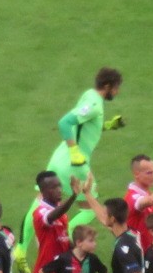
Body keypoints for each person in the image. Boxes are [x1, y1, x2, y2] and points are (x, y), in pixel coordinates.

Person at [44, 67, 124, 208]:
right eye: (116, 87)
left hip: (59, 156)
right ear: (107, 86)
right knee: (91, 209)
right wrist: (74, 152)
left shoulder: (89, 95)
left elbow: (82, 125)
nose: (117, 92)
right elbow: (65, 123)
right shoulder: (95, 105)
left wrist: (107, 125)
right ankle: (72, 230)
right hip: (74, 163)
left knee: (42, 205)